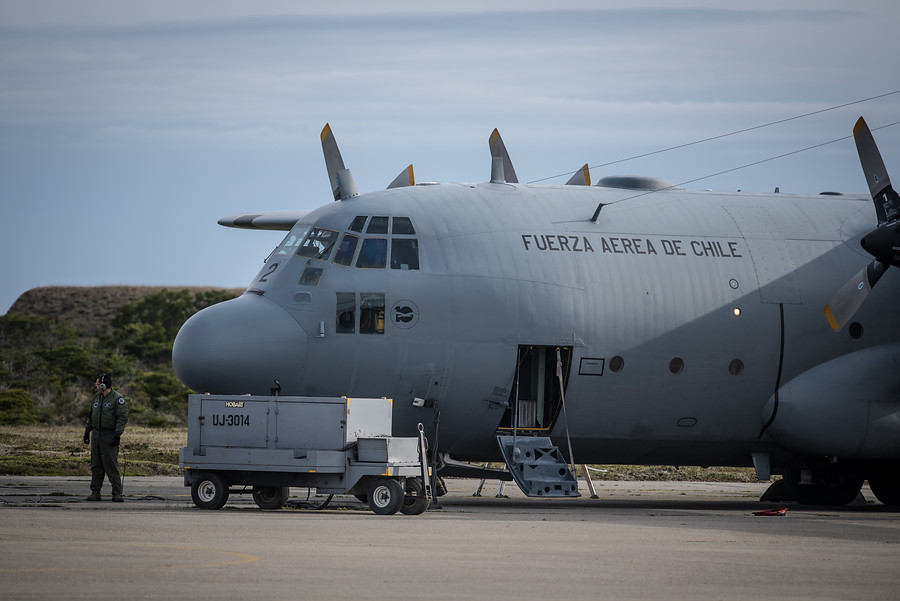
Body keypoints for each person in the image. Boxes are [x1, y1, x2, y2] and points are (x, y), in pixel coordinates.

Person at [82, 374, 128, 502]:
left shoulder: (117, 399)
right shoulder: (96, 397)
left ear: (103, 385)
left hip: (109, 436)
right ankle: (95, 492)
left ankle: (117, 493)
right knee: (96, 465)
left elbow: (122, 418)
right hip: (96, 435)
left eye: (97, 384)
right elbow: (91, 416)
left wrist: (117, 435)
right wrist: (87, 432)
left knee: (111, 465)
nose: (96, 386)